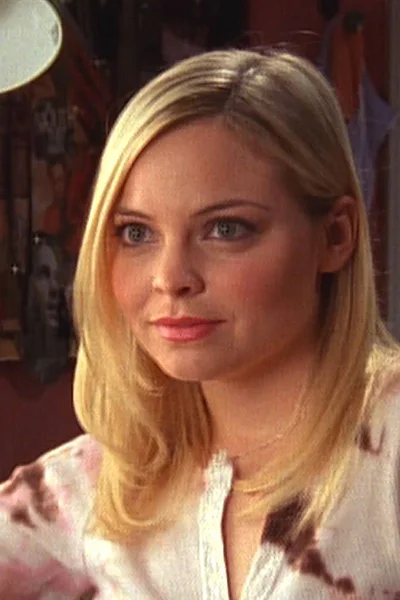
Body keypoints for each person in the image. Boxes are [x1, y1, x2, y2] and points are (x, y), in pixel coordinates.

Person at [0, 48, 399, 599]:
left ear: (335, 236)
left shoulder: (389, 450)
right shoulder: (100, 482)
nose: (170, 279)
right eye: (136, 233)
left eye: (226, 229)